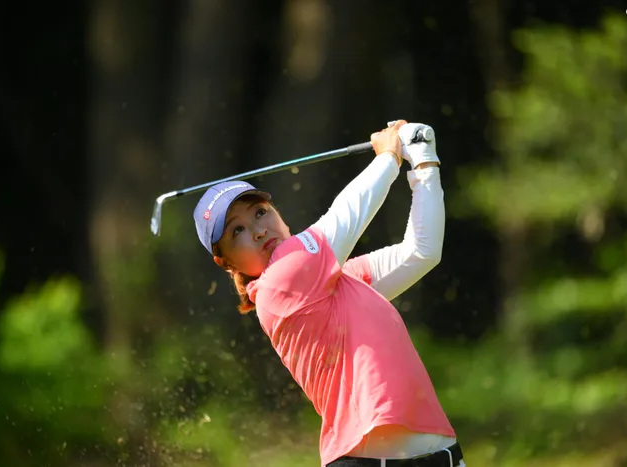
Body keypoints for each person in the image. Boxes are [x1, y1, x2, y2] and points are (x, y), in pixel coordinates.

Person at [193, 120, 465, 467]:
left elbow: (421, 252)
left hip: (441, 455)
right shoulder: (280, 281)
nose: (259, 230)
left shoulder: (338, 279)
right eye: (238, 231)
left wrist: (425, 162)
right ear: (226, 263)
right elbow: (346, 214)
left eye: (260, 212)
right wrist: (389, 157)